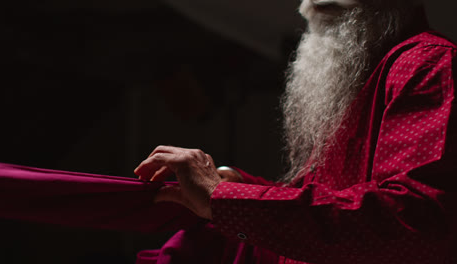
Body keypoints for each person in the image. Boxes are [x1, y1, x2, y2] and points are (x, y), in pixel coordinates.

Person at [134, 0, 457, 263]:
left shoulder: (426, 65)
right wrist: (237, 184)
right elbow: (328, 201)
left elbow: (413, 224)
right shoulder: (362, 72)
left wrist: (224, 199)